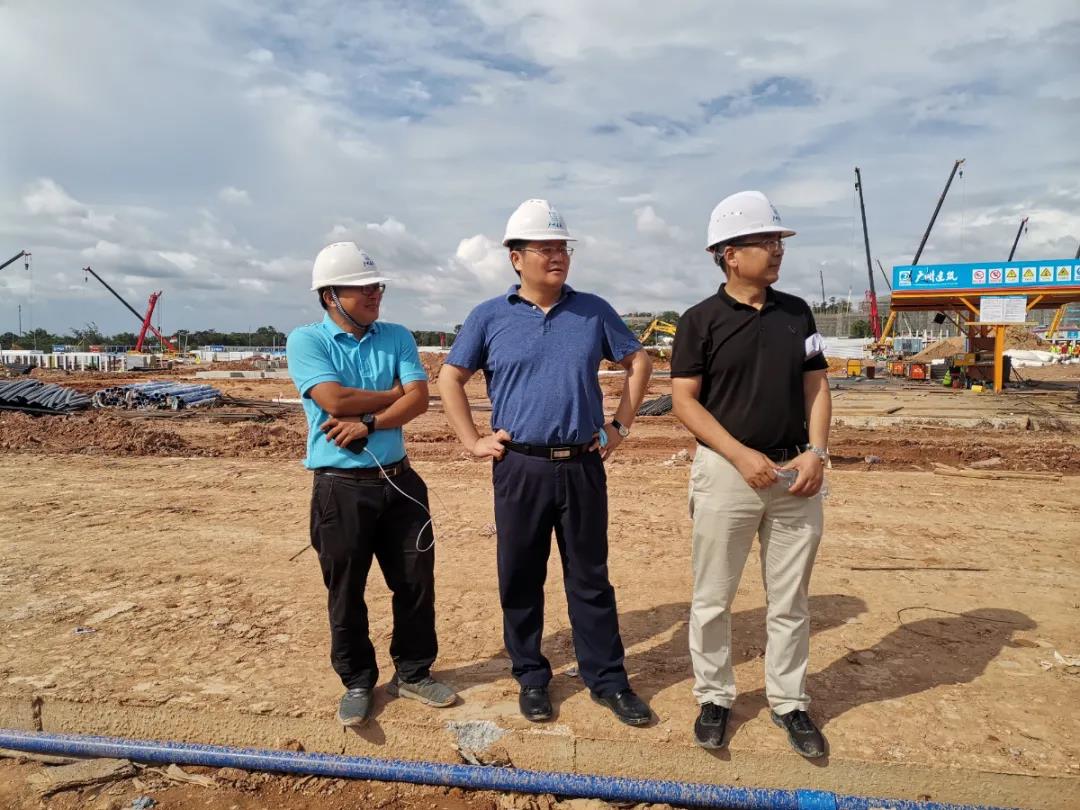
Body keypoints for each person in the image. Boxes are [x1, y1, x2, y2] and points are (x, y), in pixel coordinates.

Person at [438, 199, 654, 726]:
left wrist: (620, 427)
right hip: (520, 467)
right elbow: (450, 377)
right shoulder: (489, 317)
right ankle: (532, 677)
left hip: (581, 464)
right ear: (516, 258)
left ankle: (608, 680)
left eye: (563, 248)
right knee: (520, 575)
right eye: (545, 248)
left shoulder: (593, 311)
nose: (558, 256)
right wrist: (472, 440)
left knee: (590, 577)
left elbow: (638, 360)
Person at [670, 191, 832, 758]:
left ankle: (789, 701)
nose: (777, 250)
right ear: (729, 254)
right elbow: (685, 402)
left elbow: (816, 385)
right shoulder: (700, 321)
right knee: (713, 597)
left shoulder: (797, 313)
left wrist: (816, 452)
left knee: (790, 601)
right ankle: (714, 696)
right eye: (765, 241)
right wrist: (739, 455)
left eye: (778, 241)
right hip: (726, 474)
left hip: (794, 474)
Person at [286, 241, 456, 727]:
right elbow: (333, 400)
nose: (373, 294)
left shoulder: (397, 336)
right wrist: (391, 395)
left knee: (415, 583)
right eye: (361, 289)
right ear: (329, 296)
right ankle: (357, 680)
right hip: (340, 488)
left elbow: (419, 401)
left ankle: (414, 672)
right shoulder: (306, 341)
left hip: (400, 484)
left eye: (376, 286)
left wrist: (370, 423)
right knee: (346, 590)